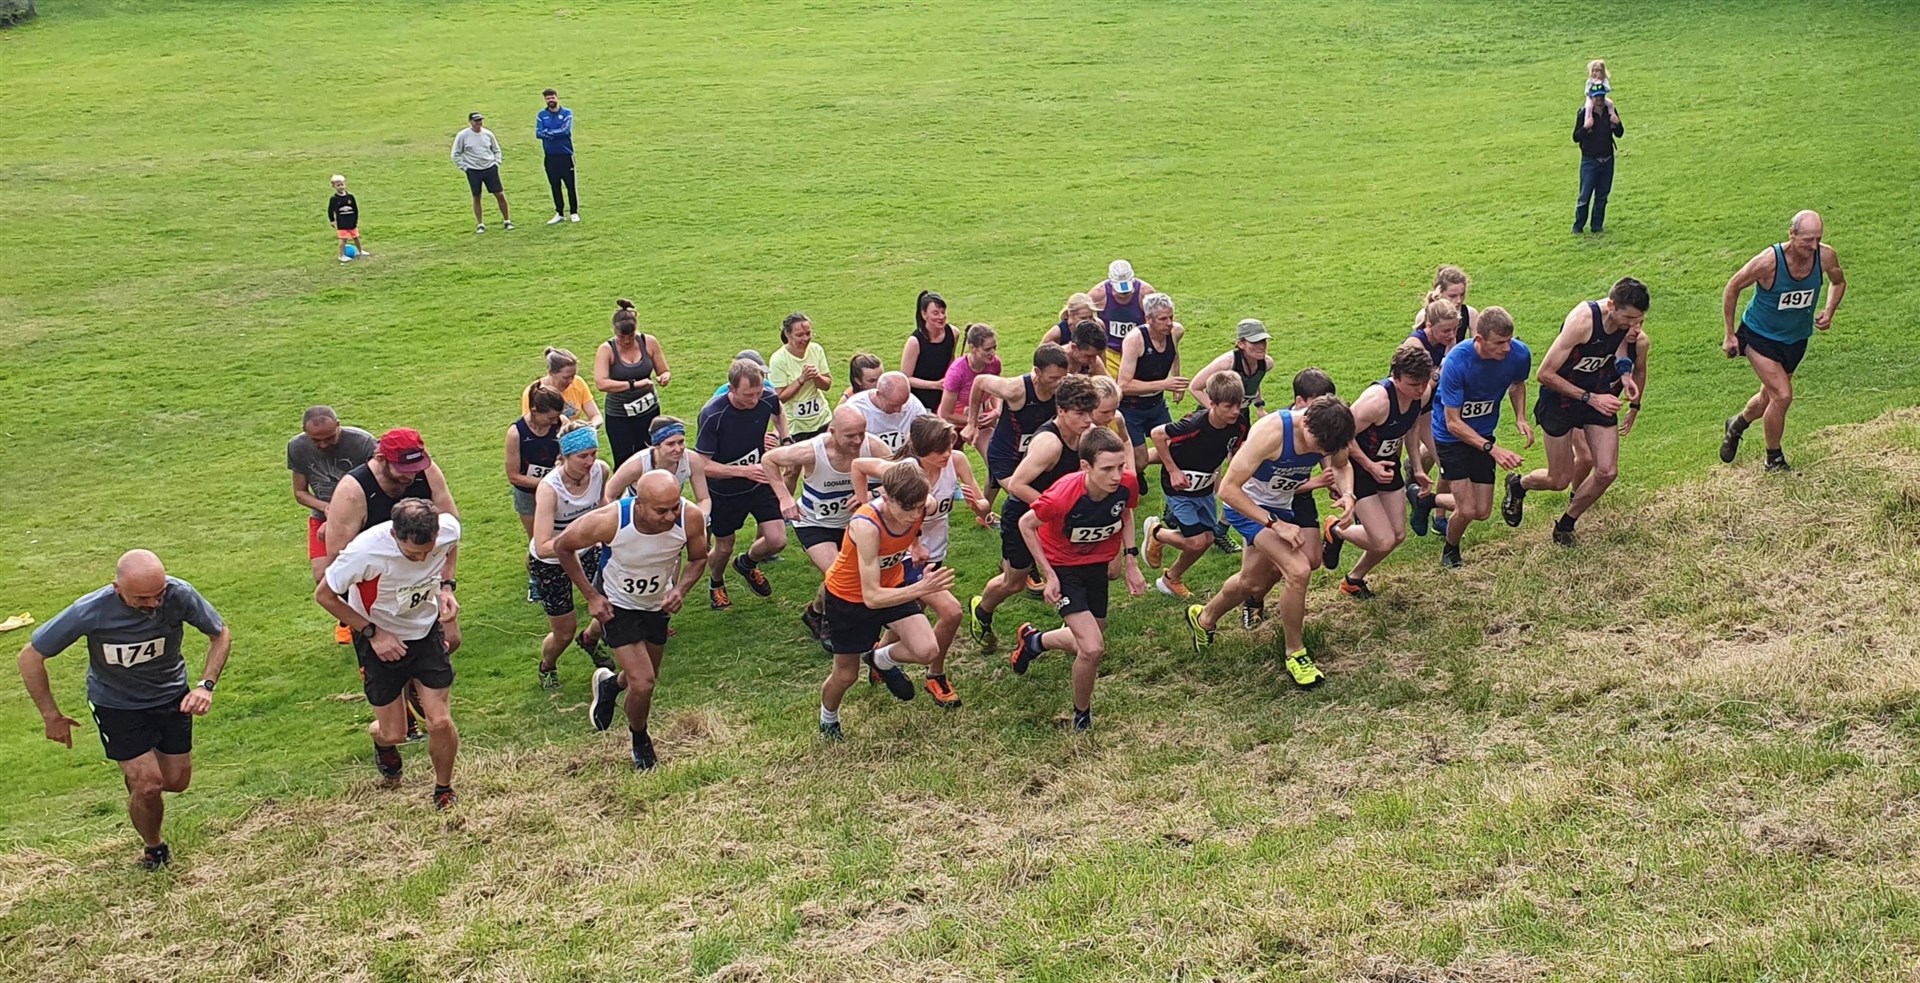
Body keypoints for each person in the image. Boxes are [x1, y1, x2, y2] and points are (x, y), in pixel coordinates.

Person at [18, 550, 231, 870]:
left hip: (171, 695)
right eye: (142, 598)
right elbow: (30, 656)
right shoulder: (90, 610)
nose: (154, 604)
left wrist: (206, 685)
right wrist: (51, 715)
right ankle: (154, 846)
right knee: (149, 785)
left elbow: (220, 634)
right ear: (118, 590)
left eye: (158, 594)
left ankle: (139, 784)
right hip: (117, 705)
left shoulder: (179, 594)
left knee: (175, 781)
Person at [1185, 395, 1357, 689]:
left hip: (1282, 507)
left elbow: (1341, 466)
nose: (1318, 453)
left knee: (1252, 582)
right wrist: (1275, 524)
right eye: (1315, 445)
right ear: (1304, 419)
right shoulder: (1271, 432)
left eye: (1324, 450)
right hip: (1246, 507)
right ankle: (1295, 653)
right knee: (1298, 570)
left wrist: (1348, 495)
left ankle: (1204, 617)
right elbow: (1227, 490)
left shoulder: (1332, 436)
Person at [316, 500, 463, 810]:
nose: (422, 558)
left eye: (428, 550)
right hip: (379, 638)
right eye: (413, 554)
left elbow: (450, 548)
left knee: (439, 721)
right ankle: (381, 741)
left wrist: (447, 587)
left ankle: (443, 789)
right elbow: (325, 595)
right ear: (395, 535)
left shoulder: (447, 529)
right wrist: (372, 633)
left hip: (425, 632)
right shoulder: (364, 552)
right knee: (394, 732)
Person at [565, 471, 709, 770]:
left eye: (674, 507)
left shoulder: (690, 516)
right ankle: (640, 738)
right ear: (639, 503)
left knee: (643, 678)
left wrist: (681, 589)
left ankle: (610, 687)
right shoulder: (610, 520)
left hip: (657, 604)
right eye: (661, 510)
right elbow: (563, 546)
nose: (671, 516)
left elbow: (698, 558)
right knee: (643, 683)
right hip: (617, 604)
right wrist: (592, 596)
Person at [325, 428, 461, 739]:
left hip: (423, 583)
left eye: (417, 469)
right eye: (403, 470)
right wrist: (368, 629)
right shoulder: (353, 491)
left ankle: (416, 691)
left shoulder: (425, 472)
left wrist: (446, 585)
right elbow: (338, 562)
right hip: (376, 592)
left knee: (451, 639)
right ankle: (395, 718)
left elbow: (450, 533)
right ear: (380, 458)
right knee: (392, 666)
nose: (411, 477)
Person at [1008, 427, 1144, 730]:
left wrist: (1131, 560)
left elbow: (1126, 513)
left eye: (1120, 466)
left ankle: (1034, 641)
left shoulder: (1126, 484)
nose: (1116, 475)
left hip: (1095, 567)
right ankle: (1082, 714)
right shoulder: (1062, 495)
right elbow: (1026, 524)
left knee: (1086, 638)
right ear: (1086, 466)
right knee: (1093, 648)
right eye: (1107, 468)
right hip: (1064, 568)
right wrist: (1049, 575)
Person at [849, 416, 990, 706]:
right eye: (939, 451)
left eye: (949, 447)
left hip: (935, 552)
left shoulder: (958, 461)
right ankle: (934, 675)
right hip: (910, 558)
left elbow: (983, 503)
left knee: (915, 611)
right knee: (951, 612)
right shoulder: (905, 471)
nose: (947, 455)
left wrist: (980, 504)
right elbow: (859, 466)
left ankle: (879, 658)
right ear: (920, 450)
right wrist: (865, 508)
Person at [816, 462, 957, 741]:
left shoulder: (921, 502)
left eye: (919, 507)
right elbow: (871, 596)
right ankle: (828, 717)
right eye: (908, 509)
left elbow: (884, 471)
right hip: (850, 599)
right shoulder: (866, 526)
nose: (916, 514)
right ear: (887, 497)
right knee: (846, 676)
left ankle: (879, 658)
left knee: (928, 649)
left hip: (892, 586)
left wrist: (915, 543)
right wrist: (921, 587)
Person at [1505, 278, 1651, 545]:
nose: (1634, 328)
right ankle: (1519, 485)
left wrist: (1626, 376)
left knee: (1607, 471)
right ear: (1611, 306)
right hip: (1560, 397)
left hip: (1597, 392)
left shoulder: (1625, 326)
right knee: (1559, 479)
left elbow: (1618, 349)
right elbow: (1544, 374)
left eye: (1639, 320)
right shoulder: (1583, 322)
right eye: (1629, 319)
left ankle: (1566, 524)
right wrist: (1590, 398)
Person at [968, 373, 1099, 647]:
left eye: (1090, 412)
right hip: (1023, 515)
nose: (1088, 420)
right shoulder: (1048, 444)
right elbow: (1017, 484)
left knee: (1084, 570)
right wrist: (1056, 508)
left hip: (1057, 517)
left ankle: (1078, 630)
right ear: (1060, 411)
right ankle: (981, 610)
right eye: (1080, 413)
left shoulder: (1086, 434)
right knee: (1013, 583)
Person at [1719, 210, 1846, 473]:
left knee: (1768, 397)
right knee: (1783, 395)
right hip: (1759, 336)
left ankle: (1737, 424)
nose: (1813, 246)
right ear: (1792, 234)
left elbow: (1838, 281)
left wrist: (1829, 311)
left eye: (1818, 239)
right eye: (1807, 240)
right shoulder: (1769, 262)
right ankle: (1773, 459)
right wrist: (1730, 334)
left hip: (1796, 340)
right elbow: (1732, 287)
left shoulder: (1824, 255)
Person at [1408, 307, 1533, 569]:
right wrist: (1493, 450)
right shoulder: (1457, 362)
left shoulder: (1519, 355)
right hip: (1451, 438)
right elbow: (1454, 423)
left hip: (1483, 433)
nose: (1506, 349)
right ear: (1479, 340)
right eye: (1499, 343)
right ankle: (1450, 551)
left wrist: (1520, 416)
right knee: (1465, 509)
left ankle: (1425, 500)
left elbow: (1518, 383)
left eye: (1509, 341)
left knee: (1482, 512)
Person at [1320, 346, 1433, 598]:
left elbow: (1412, 428)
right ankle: (1336, 529)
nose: (1419, 389)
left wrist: (1417, 468)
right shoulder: (1377, 400)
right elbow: (1343, 434)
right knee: (1382, 540)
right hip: (1358, 469)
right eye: (1414, 383)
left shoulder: (1422, 394)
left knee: (1398, 535)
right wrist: (1370, 465)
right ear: (1396, 376)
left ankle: (1353, 580)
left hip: (1387, 464)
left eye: (1424, 383)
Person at [763, 406, 884, 641]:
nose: (858, 440)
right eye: (850, 435)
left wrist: (874, 494)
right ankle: (833, 622)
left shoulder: (872, 446)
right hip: (815, 524)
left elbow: (904, 473)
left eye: (862, 432)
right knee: (838, 574)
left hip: (855, 524)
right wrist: (784, 497)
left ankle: (815, 611)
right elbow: (769, 459)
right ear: (832, 431)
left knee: (853, 574)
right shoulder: (811, 450)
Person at [695, 358, 789, 610]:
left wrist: (785, 438)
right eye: (749, 394)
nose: (755, 400)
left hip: (758, 481)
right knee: (724, 547)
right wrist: (743, 471)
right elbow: (702, 465)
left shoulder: (767, 398)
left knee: (778, 540)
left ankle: (747, 563)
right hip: (724, 491)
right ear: (731, 389)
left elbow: (779, 412)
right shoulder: (713, 414)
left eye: (759, 393)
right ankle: (716, 582)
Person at [1143, 372, 1248, 598]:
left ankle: (1172, 578)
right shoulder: (1194, 423)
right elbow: (1157, 434)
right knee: (1196, 541)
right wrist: (1173, 471)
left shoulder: (1238, 424)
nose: (1235, 411)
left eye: (1238, 405)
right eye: (1229, 406)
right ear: (1212, 403)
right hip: (1179, 489)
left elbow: (1236, 450)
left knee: (1207, 540)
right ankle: (1158, 533)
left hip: (1204, 489)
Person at [530, 424, 613, 689]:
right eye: (582, 456)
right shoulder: (549, 489)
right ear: (565, 456)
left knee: (611, 604)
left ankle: (589, 639)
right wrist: (577, 541)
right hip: (550, 563)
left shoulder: (601, 470)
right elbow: (543, 545)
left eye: (593, 453)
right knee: (564, 632)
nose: (590, 461)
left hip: (589, 550)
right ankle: (548, 665)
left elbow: (603, 508)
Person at [1187, 317, 1276, 557]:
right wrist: (1216, 412)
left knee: (1241, 471)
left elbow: (1254, 382)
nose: (1261, 347)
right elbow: (1195, 386)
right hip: (1213, 420)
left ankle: (1221, 528)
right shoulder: (1227, 362)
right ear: (1240, 344)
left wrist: (1259, 406)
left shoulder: (1265, 363)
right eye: (1255, 342)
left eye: (1264, 341)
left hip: (1239, 418)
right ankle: (1181, 507)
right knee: (1205, 467)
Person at [288, 405, 377, 643]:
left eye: (329, 438)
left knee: (363, 570)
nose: (323, 445)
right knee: (322, 576)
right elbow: (299, 492)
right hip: (322, 515)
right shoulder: (297, 447)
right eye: (316, 440)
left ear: (339, 425)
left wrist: (341, 515)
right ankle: (348, 617)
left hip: (361, 515)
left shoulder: (363, 443)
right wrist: (327, 508)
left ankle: (366, 620)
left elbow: (376, 484)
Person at [1403, 267, 1476, 538]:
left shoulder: (1462, 321)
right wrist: (1442, 369)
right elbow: (1414, 395)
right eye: (1452, 295)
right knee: (1437, 457)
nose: (1452, 335)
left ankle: (1435, 513)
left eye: (1462, 294)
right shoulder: (1417, 342)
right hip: (1414, 409)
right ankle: (1414, 496)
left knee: (1447, 459)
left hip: (1439, 406)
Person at [969, 343, 1072, 522]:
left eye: (1062, 378)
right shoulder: (1015, 389)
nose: (1058, 384)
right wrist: (972, 423)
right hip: (1006, 456)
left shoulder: (1065, 384)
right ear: (1037, 373)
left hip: (1036, 453)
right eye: (1053, 378)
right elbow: (979, 382)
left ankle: (983, 514)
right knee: (1027, 499)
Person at [1116, 292, 1188, 474]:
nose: (1169, 323)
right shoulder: (1135, 340)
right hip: (1132, 409)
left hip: (1156, 404)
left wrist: (1176, 380)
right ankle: (1131, 467)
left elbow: (1174, 353)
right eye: (1163, 319)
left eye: (1171, 317)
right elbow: (1123, 385)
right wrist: (1164, 384)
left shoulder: (1175, 332)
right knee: (1140, 462)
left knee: (1173, 448)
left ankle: (1134, 461)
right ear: (1148, 319)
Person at [594, 299, 670, 467]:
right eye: (622, 337)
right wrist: (633, 385)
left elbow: (663, 370)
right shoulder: (607, 350)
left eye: (631, 335)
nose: (627, 341)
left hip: (649, 409)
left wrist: (664, 377)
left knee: (652, 454)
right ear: (614, 331)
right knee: (624, 460)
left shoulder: (648, 342)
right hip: (620, 415)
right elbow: (601, 383)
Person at [505, 385, 564, 540]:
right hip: (527, 494)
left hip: (557, 490)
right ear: (534, 410)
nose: (554, 422)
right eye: (550, 418)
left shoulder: (561, 424)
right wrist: (547, 483)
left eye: (557, 417)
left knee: (561, 537)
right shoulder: (516, 433)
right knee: (537, 542)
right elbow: (514, 476)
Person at [770, 312, 834, 441]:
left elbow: (827, 385)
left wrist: (817, 376)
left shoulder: (816, 350)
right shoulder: (778, 359)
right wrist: (801, 380)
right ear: (788, 335)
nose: (805, 338)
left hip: (822, 420)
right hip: (795, 427)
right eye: (799, 335)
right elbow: (781, 398)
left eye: (808, 333)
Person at [937, 322, 1001, 448]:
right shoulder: (957, 372)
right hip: (954, 419)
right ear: (973, 348)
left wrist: (997, 410)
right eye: (987, 349)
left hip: (980, 415)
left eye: (994, 347)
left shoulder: (994, 364)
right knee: (950, 460)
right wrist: (973, 421)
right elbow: (946, 413)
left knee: (995, 456)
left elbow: (996, 390)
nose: (993, 353)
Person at [1088, 259, 1156, 374]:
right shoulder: (1098, 294)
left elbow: (1157, 321)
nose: (1124, 294)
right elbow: (1081, 314)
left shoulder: (1145, 293)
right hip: (1111, 353)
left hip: (1139, 352)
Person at [1572, 84, 1624, 234]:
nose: (1600, 100)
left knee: (1602, 196)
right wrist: (1586, 127)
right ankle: (1578, 227)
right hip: (1590, 161)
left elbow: (1619, 133)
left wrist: (1617, 123)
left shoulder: (1610, 112)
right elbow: (1576, 137)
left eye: (1602, 96)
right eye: (1597, 97)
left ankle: (1597, 226)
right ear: (1592, 98)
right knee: (1585, 196)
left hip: (1607, 160)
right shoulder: (1584, 114)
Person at [605, 416, 695, 501]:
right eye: (670, 444)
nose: (678, 449)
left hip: (670, 511)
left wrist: (703, 516)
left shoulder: (692, 459)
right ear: (656, 445)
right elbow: (608, 495)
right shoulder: (636, 466)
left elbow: (704, 499)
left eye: (681, 442)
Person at [451, 112, 511, 233]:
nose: (479, 123)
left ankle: (507, 220)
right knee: (476, 196)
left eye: (480, 121)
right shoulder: (463, 135)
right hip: (473, 170)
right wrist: (465, 167)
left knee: (499, 194)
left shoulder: (488, 134)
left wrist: (496, 163)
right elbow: (455, 154)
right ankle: (480, 224)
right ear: (470, 122)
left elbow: (496, 149)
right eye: (476, 121)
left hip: (489, 168)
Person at [843, 371, 929, 453]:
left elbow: (925, 433)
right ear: (878, 395)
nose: (898, 410)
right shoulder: (856, 407)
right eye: (893, 405)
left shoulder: (913, 404)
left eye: (903, 404)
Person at [902, 291, 954, 411]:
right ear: (924, 314)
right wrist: (935, 384)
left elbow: (951, 359)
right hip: (921, 401)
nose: (941, 317)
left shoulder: (953, 333)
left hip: (944, 395)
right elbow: (906, 379)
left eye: (943, 312)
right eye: (935, 313)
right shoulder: (914, 342)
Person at [524, 347, 602, 427]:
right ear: (551, 373)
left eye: (573, 376)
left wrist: (590, 428)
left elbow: (595, 415)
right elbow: (531, 425)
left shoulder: (578, 382)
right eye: (566, 378)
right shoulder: (535, 392)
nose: (571, 381)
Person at [536, 87, 579, 224]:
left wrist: (549, 133)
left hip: (565, 155)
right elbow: (538, 133)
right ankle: (559, 212)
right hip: (550, 156)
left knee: (570, 185)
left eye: (552, 98)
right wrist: (554, 133)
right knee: (555, 185)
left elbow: (565, 131)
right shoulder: (542, 115)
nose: (550, 100)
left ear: (557, 98)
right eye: (548, 98)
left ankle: (574, 212)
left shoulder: (567, 113)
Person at [326, 174, 366, 262]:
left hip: (351, 222)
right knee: (343, 239)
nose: (340, 187)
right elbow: (330, 210)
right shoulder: (334, 199)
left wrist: (356, 220)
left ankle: (360, 251)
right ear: (334, 186)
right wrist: (332, 221)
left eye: (342, 184)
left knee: (356, 237)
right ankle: (341, 255)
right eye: (338, 185)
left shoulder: (350, 197)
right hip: (342, 223)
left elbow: (355, 209)